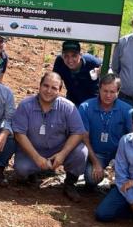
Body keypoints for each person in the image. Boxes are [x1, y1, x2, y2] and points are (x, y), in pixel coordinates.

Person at [12, 72, 88, 200]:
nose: (48, 91)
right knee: (21, 169)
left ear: (60, 90)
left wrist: (62, 154)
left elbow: (78, 132)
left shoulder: (68, 107)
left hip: (58, 151)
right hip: (32, 151)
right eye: (45, 86)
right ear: (39, 86)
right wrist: (37, 158)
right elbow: (19, 135)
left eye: (54, 88)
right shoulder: (25, 105)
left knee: (81, 152)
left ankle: (70, 183)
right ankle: (33, 174)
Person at [77, 74, 132, 190]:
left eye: (112, 92)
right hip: (96, 153)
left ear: (118, 92)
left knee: (125, 180)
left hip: (119, 154)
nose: (108, 95)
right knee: (92, 178)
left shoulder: (127, 110)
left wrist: (123, 160)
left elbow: (132, 137)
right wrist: (96, 163)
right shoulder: (86, 107)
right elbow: (84, 138)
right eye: (105, 91)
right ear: (99, 89)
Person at [51, 40, 101, 106]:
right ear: (62, 55)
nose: (70, 60)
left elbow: (107, 67)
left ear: (80, 55)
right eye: (66, 56)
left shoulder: (91, 62)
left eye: (74, 56)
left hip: (92, 102)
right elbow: (54, 82)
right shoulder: (60, 62)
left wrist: (101, 71)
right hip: (72, 100)